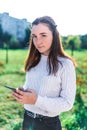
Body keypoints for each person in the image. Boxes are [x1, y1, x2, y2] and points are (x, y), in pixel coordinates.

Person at [12, 16, 76, 130]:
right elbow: (33, 88)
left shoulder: (65, 64)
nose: (38, 41)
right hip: (27, 120)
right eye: (34, 36)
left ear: (54, 35)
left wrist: (36, 100)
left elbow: (67, 103)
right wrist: (23, 93)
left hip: (48, 124)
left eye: (43, 35)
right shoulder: (33, 60)